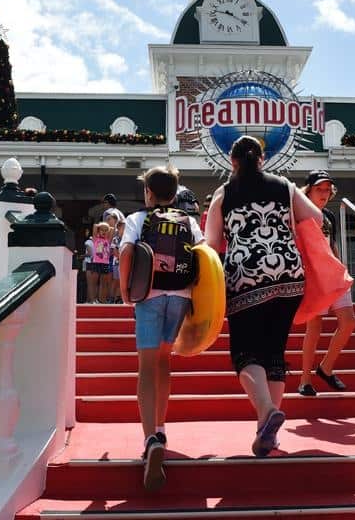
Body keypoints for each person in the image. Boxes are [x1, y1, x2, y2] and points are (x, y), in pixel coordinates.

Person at [205, 136, 322, 457]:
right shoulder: (284, 185)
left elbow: (211, 243)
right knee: (274, 352)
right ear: (262, 159)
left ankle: (267, 411)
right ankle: (266, 433)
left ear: (232, 162)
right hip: (289, 274)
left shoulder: (224, 193)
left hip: (245, 277)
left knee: (245, 353)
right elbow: (318, 217)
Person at [120, 164, 204, 491]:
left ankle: (150, 438)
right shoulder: (189, 221)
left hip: (150, 296)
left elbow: (127, 251)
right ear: (175, 193)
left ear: (149, 193)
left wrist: (126, 289)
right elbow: (203, 255)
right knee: (165, 362)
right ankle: (162, 426)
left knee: (146, 367)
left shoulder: (137, 219)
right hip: (179, 297)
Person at [297, 170, 355, 397]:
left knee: (349, 322)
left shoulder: (329, 217)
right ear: (308, 190)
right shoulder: (299, 215)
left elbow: (331, 245)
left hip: (332, 273)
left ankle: (325, 367)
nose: (324, 194)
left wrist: (341, 267)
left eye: (327, 190)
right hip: (312, 276)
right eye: (319, 189)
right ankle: (305, 380)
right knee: (314, 326)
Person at [90, 222, 111, 304]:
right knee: (94, 282)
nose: (104, 232)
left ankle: (101, 300)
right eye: (102, 230)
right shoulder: (95, 239)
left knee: (103, 282)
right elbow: (95, 226)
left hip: (105, 263)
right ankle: (93, 300)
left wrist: (107, 228)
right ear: (98, 231)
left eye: (106, 230)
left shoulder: (108, 240)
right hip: (96, 262)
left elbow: (111, 229)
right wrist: (99, 226)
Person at [111, 219, 126, 304]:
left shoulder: (127, 239)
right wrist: (122, 258)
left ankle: (119, 298)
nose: (125, 228)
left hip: (125, 263)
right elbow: (114, 251)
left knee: (122, 281)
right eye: (123, 227)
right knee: (116, 281)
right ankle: (112, 297)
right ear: (119, 228)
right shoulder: (115, 239)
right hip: (117, 263)